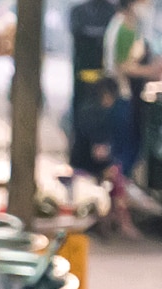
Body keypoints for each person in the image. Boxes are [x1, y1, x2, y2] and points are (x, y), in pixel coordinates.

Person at [103, 0, 162, 235]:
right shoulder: (124, 29)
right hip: (122, 95)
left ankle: (113, 215)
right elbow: (123, 66)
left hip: (123, 95)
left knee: (121, 159)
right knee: (123, 158)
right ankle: (122, 218)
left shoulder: (125, 26)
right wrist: (151, 71)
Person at [69, 0, 118, 172]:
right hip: (88, 83)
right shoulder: (79, 13)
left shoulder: (111, 12)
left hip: (99, 83)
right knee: (86, 129)